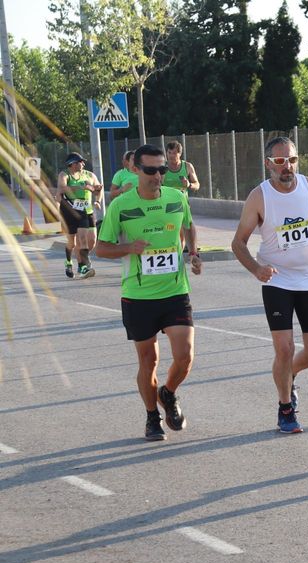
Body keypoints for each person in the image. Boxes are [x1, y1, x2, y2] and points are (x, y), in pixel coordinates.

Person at [231, 136, 308, 434]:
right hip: (278, 280)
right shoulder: (259, 196)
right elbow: (238, 243)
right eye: (280, 161)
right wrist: (256, 269)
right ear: (268, 164)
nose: (288, 167)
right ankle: (285, 408)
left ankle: (287, 375)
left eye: (292, 160)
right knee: (284, 348)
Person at [95, 144, 203, 441]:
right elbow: (101, 248)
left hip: (175, 291)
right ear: (136, 170)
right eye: (151, 170)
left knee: (185, 356)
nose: (158, 175)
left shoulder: (177, 197)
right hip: (138, 296)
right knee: (148, 361)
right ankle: (152, 416)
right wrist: (129, 247)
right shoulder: (121, 205)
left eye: (162, 169)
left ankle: (168, 392)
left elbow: (189, 225)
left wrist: (194, 253)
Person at [57, 152, 103, 279]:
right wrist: (81, 187)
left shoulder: (90, 175)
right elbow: (62, 188)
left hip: (86, 211)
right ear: (72, 164)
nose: (83, 164)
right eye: (79, 162)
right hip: (70, 211)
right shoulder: (64, 174)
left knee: (91, 241)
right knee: (72, 242)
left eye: (83, 162)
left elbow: (98, 189)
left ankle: (83, 262)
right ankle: (75, 264)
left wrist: (98, 200)